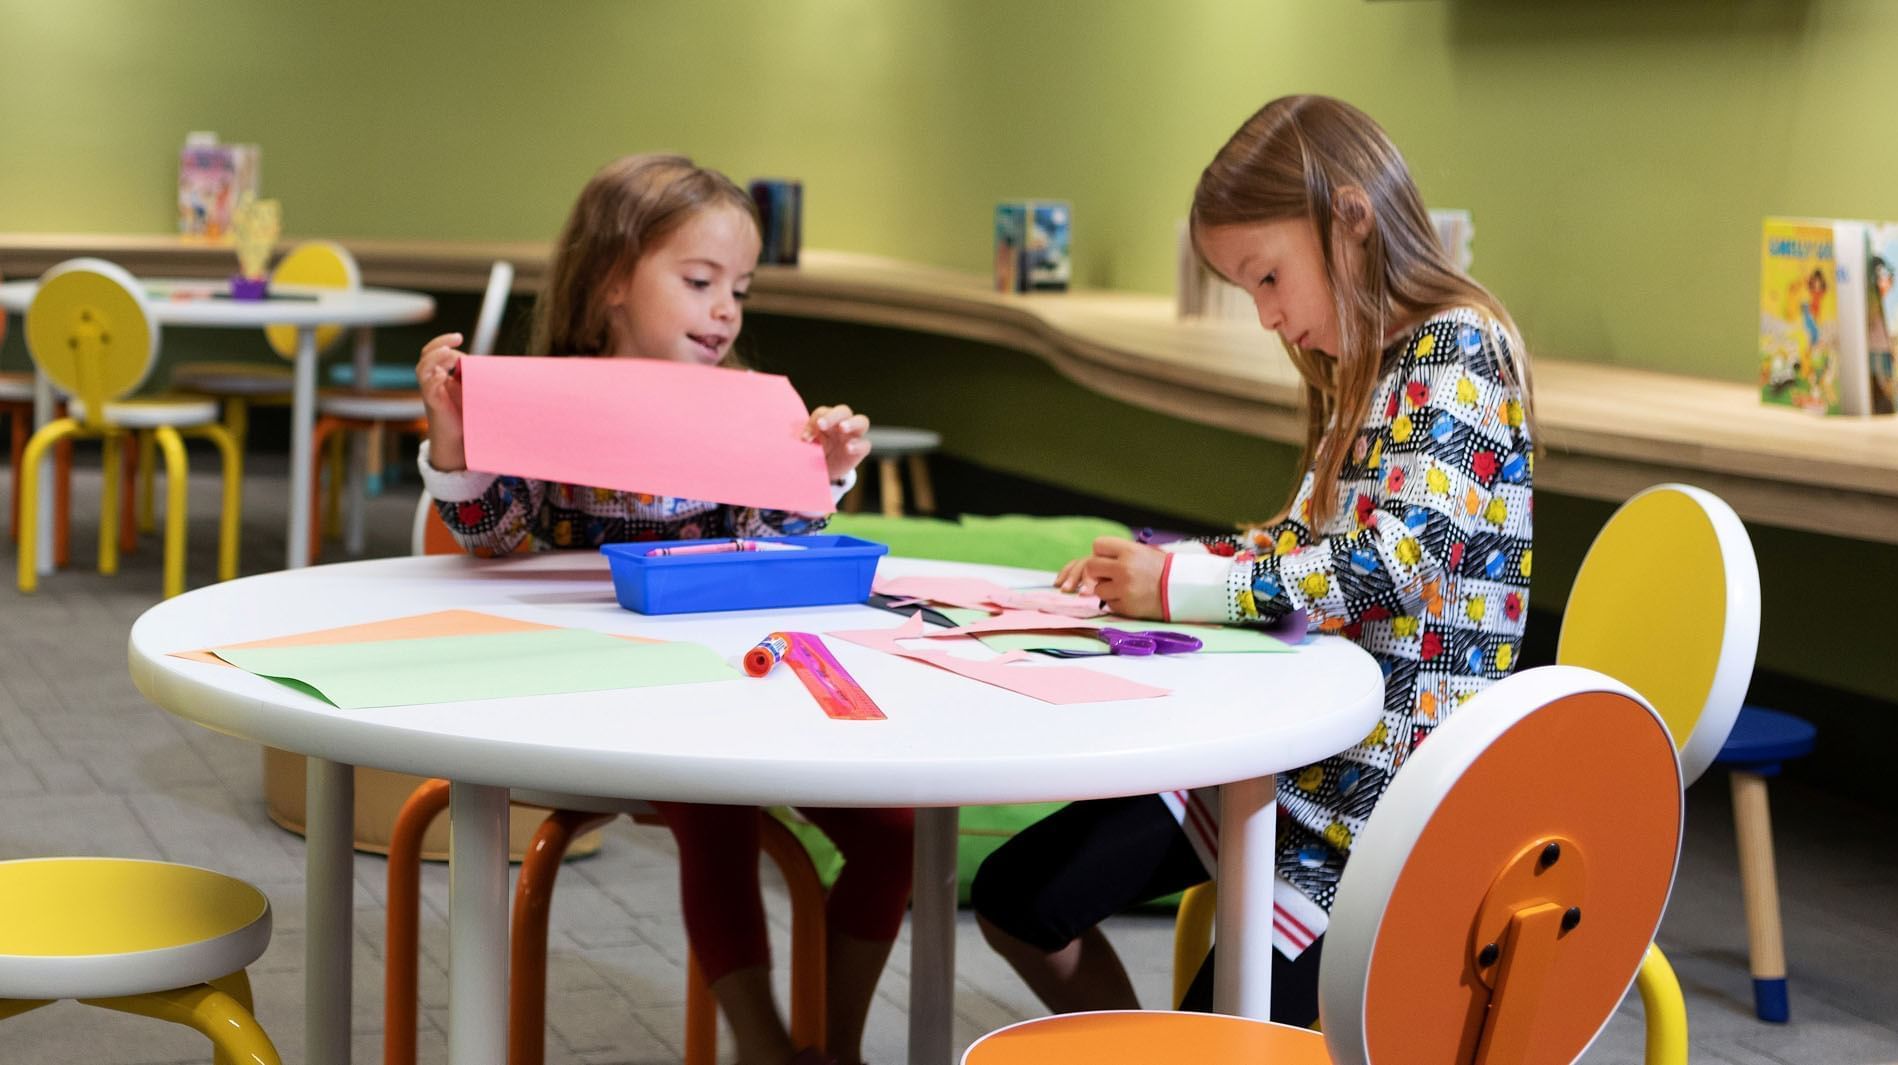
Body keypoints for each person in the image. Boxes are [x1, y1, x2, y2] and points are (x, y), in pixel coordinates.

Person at [970, 94, 1536, 1025]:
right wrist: (1165, 565)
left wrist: (1187, 583)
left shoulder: (1461, 345)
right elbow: (1305, 537)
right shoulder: (1372, 364)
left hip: (1373, 805)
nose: (1269, 318)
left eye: (1267, 278)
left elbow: (1392, 560)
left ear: (1350, 219)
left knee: (1214, 1028)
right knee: (1016, 898)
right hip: (1294, 757)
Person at [414, 153, 910, 1065]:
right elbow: (488, 533)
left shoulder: (744, 408)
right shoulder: (546, 398)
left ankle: (832, 1048)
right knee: (714, 798)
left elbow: (782, 538)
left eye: (741, 289)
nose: (727, 309)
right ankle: (761, 1043)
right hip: (599, 695)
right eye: (699, 281)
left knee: (894, 827)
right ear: (611, 282)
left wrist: (825, 467)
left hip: (733, 681)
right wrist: (455, 439)